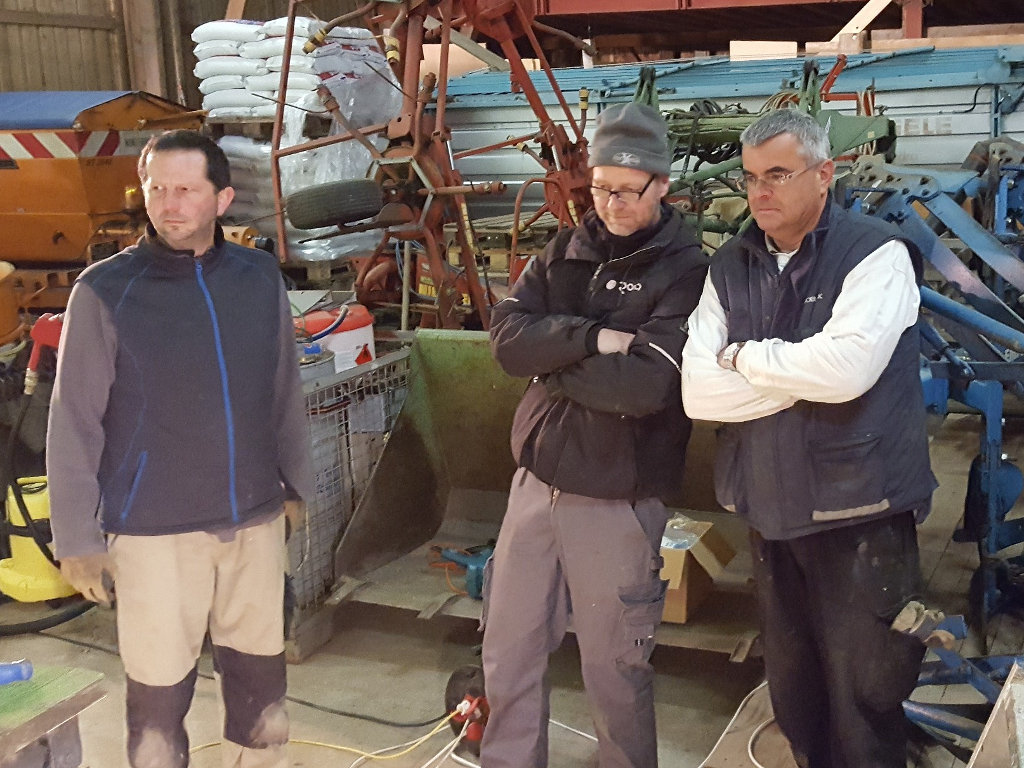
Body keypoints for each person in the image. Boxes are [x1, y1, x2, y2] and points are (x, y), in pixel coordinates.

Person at [46, 129, 313, 768]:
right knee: (160, 698)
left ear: (222, 199)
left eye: (186, 190)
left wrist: (295, 485)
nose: (169, 204)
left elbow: (283, 388)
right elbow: (74, 420)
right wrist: (76, 538)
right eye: (157, 188)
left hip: (252, 522)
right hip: (154, 532)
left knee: (260, 688)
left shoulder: (258, 277)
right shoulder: (105, 290)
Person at [681, 108, 937, 768]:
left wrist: (743, 358)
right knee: (797, 698)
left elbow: (846, 371)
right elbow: (697, 393)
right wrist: (805, 373)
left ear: (824, 175)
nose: (759, 192)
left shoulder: (876, 255)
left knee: (867, 698)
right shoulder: (730, 265)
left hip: (860, 516)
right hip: (770, 512)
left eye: (777, 174)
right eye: (750, 178)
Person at [483, 102, 709, 768]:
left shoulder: (686, 271)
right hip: (535, 487)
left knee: (615, 669)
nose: (610, 204)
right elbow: (506, 340)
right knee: (508, 650)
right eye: (601, 188)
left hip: (616, 499)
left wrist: (549, 362)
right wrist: (591, 338)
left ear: (662, 184)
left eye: (628, 190)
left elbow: (643, 388)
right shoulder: (566, 251)